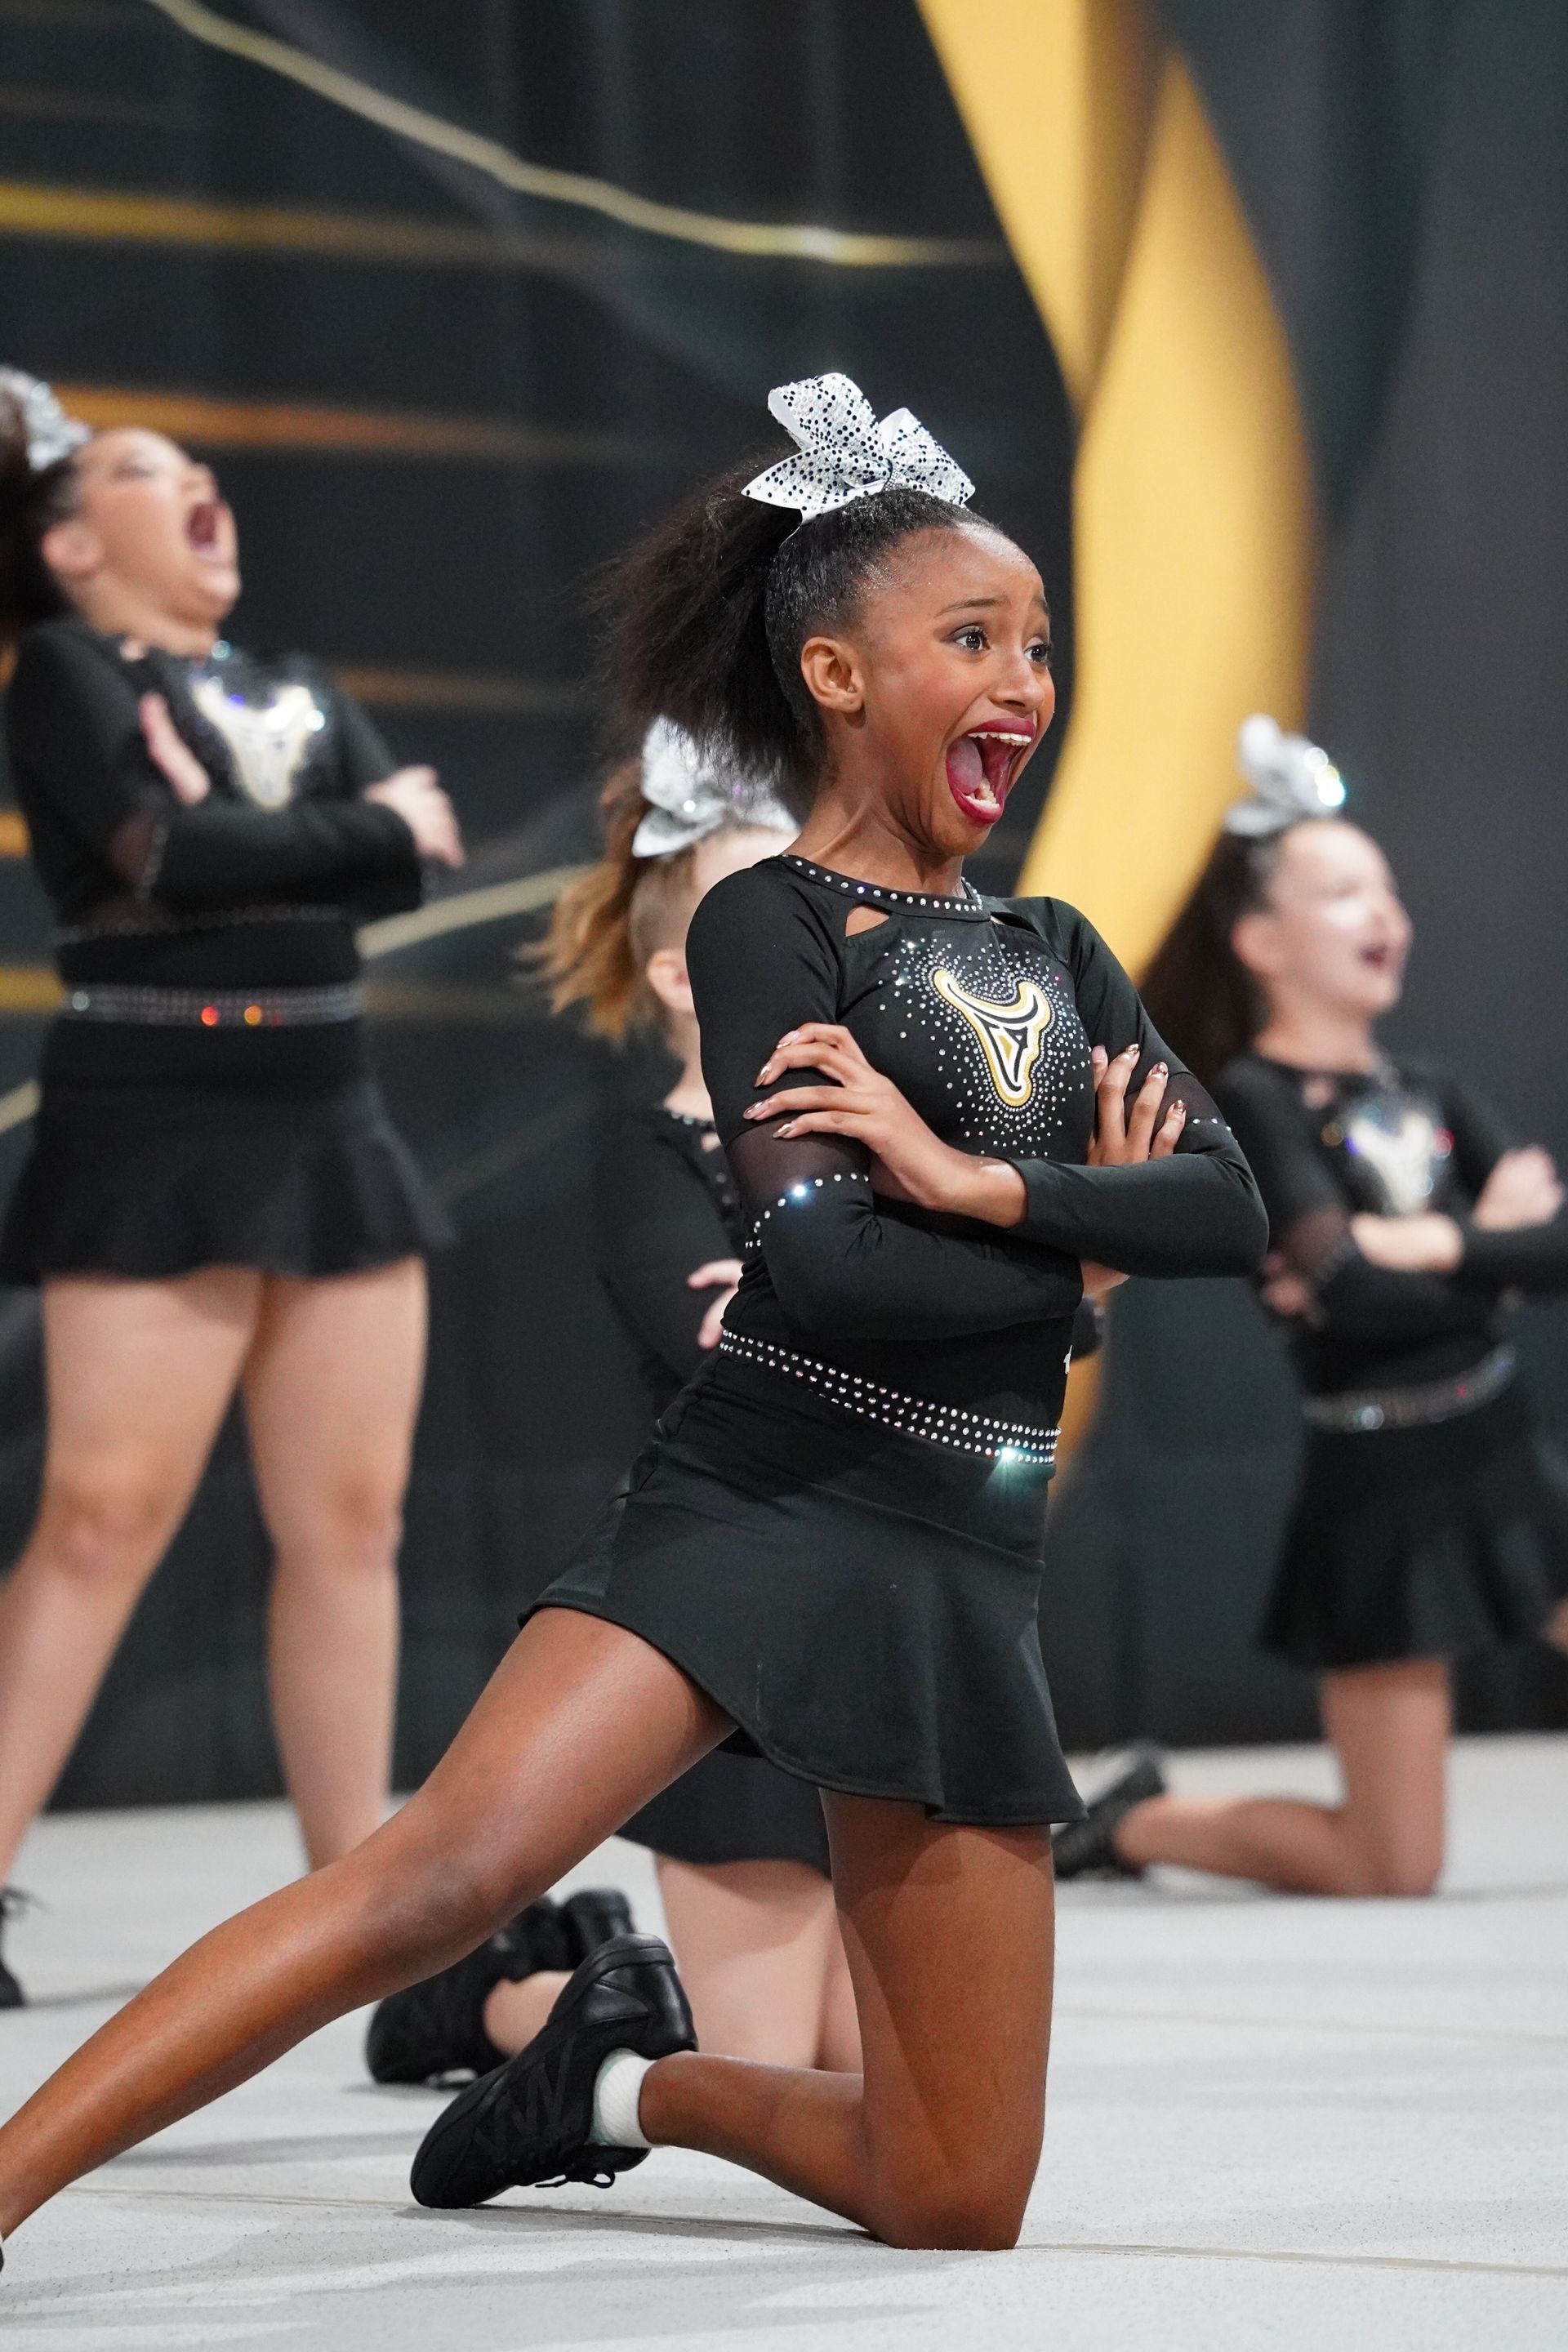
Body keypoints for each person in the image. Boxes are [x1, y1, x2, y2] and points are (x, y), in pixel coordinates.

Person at [0, 371, 1263, 2266]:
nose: (1023, 679)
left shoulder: (1059, 948)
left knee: (954, 2196)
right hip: (762, 1511)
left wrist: (980, 1183)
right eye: (972, 638)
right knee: (436, 1879)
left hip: (964, 1561)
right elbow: (829, 1270)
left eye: (1038, 642)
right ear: (835, 674)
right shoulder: (774, 925)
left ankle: (613, 2082)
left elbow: (1227, 1208)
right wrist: (1085, 1254)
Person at [0, 371, 463, 2007]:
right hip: (154, 1112)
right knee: (104, 1515)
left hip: (327, 1109)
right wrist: (350, 827)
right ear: (70, 544)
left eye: (198, 460)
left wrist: (312, 838)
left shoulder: (296, 682)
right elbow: (165, 859)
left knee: (352, 1521)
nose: (197, 476)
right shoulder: (65, 673)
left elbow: (420, 857)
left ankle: (360, 1903)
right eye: (143, 469)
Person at [362, 723, 858, 2084]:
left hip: (875, 1620)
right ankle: (492, 2001)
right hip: (733, 1622)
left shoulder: (883, 1146)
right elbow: (730, 1361)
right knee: (756, 2083)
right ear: (679, 977)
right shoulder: (653, 1162)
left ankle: (603, 1972)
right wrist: (887, 1305)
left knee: (880, 2090)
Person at [1055, 716, 1568, 1896]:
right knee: (1389, 1865)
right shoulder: (1254, 1103)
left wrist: (1427, 1241)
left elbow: (1557, 1248)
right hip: (1380, 1487)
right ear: (1263, 940)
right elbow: (1345, 1288)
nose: (1384, 913)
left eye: (1385, 889)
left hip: (1503, 1457)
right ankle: (1136, 1824)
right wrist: (1483, 1245)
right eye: (1342, 892)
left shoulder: (1433, 1088)